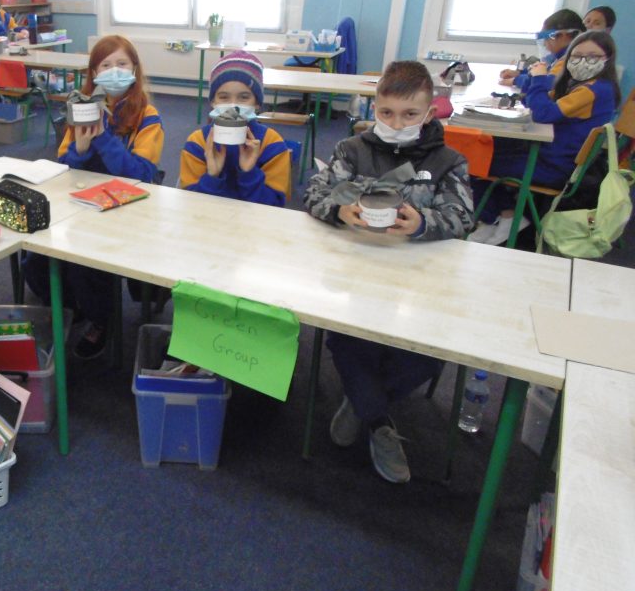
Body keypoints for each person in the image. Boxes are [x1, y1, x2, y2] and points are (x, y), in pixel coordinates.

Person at [304, 60, 474, 483]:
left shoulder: (447, 161)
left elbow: (462, 216)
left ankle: (362, 402)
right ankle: (378, 421)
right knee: (348, 340)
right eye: (386, 113)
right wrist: (339, 210)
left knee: (426, 354)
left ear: (429, 112)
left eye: (409, 114)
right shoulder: (352, 151)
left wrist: (422, 223)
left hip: (419, 282)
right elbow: (316, 193)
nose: (396, 124)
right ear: (374, 108)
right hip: (356, 273)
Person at [25, 35, 164, 359]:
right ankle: (71, 307)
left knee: (88, 265)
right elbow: (65, 166)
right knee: (37, 258)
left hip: (128, 210)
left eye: (122, 64)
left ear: (134, 69)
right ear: (94, 72)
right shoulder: (82, 108)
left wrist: (102, 138)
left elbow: (141, 175)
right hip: (83, 203)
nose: (114, 71)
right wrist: (81, 148)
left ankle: (101, 319)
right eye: (106, 65)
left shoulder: (147, 115)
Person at [470, 29, 620, 245]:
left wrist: (539, 78)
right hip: (556, 156)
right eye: (577, 56)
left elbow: (543, 113)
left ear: (607, 59)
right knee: (491, 147)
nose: (583, 62)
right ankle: (504, 215)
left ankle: (499, 217)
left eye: (592, 56)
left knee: (472, 160)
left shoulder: (593, 90)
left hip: (556, 166)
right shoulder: (586, 85)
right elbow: (534, 102)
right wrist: (535, 81)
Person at [179, 50, 290, 207]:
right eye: (224, 97)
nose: (233, 106)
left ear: (257, 103)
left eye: (244, 97)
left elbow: (275, 206)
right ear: (213, 102)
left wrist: (249, 173)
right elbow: (188, 204)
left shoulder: (271, 143)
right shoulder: (197, 142)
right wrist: (212, 176)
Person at [499, 9, 584, 94]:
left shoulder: (570, 59)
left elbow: (547, 83)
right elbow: (545, 70)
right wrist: (518, 73)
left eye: (547, 38)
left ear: (564, 36)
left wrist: (516, 80)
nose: (544, 43)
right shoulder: (558, 57)